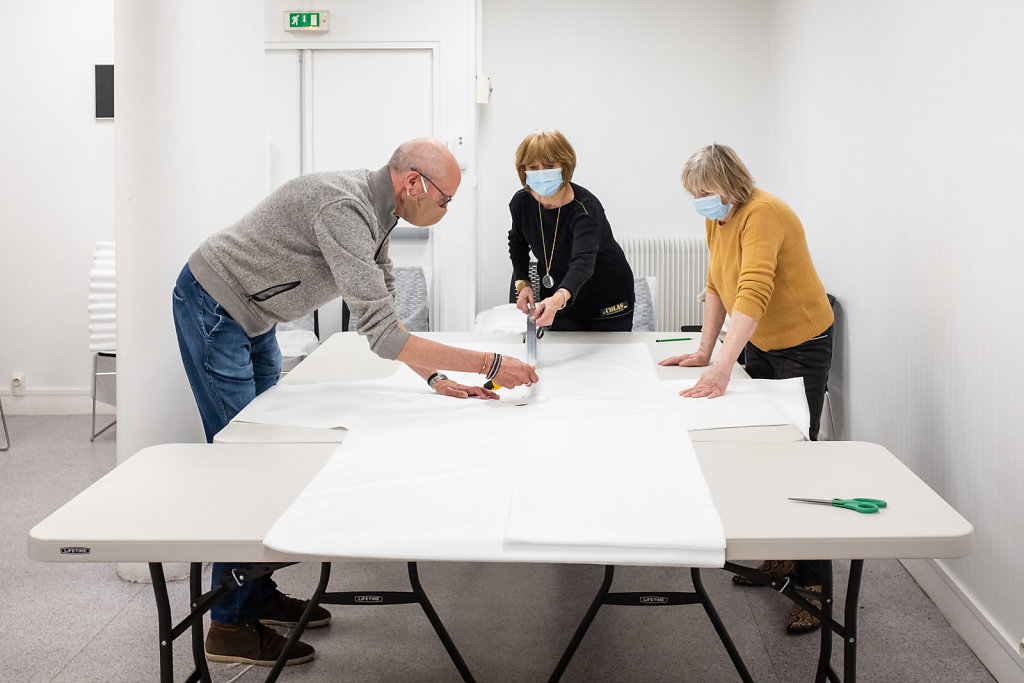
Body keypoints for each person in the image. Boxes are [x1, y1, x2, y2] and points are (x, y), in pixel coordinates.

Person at [172, 137, 538, 666]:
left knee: (271, 445)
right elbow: (383, 337)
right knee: (246, 461)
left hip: (254, 318)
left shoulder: (378, 213)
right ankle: (229, 626)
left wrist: (435, 377)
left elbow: (385, 313)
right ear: (413, 183)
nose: (446, 210)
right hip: (215, 306)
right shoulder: (346, 210)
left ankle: (256, 594)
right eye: (446, 200)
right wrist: (489, 364)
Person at [659, 143, 834, 633]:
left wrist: (721, 368)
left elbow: (754, 289)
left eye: (706, 192)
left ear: (732, 184)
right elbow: (717, 285)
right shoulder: (718, 217)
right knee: (762, 449)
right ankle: (782, 557)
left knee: (796, 453)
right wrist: (703, 350)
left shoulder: (764, 214)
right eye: (694, 194)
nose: (700, 201)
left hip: (801, 341)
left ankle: (815, 589)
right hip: (758, 338)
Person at [508, 129, 635, 330]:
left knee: (608, 359)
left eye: (549, 166)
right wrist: (522, 284)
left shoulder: (584, 208)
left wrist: (558, 298)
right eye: (533, 167)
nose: (540, 173)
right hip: (560, 298)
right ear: (523, 170)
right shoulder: (521, 203)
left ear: (564, 166)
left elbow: (583, 262)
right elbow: (517, 244)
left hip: (607, 297)